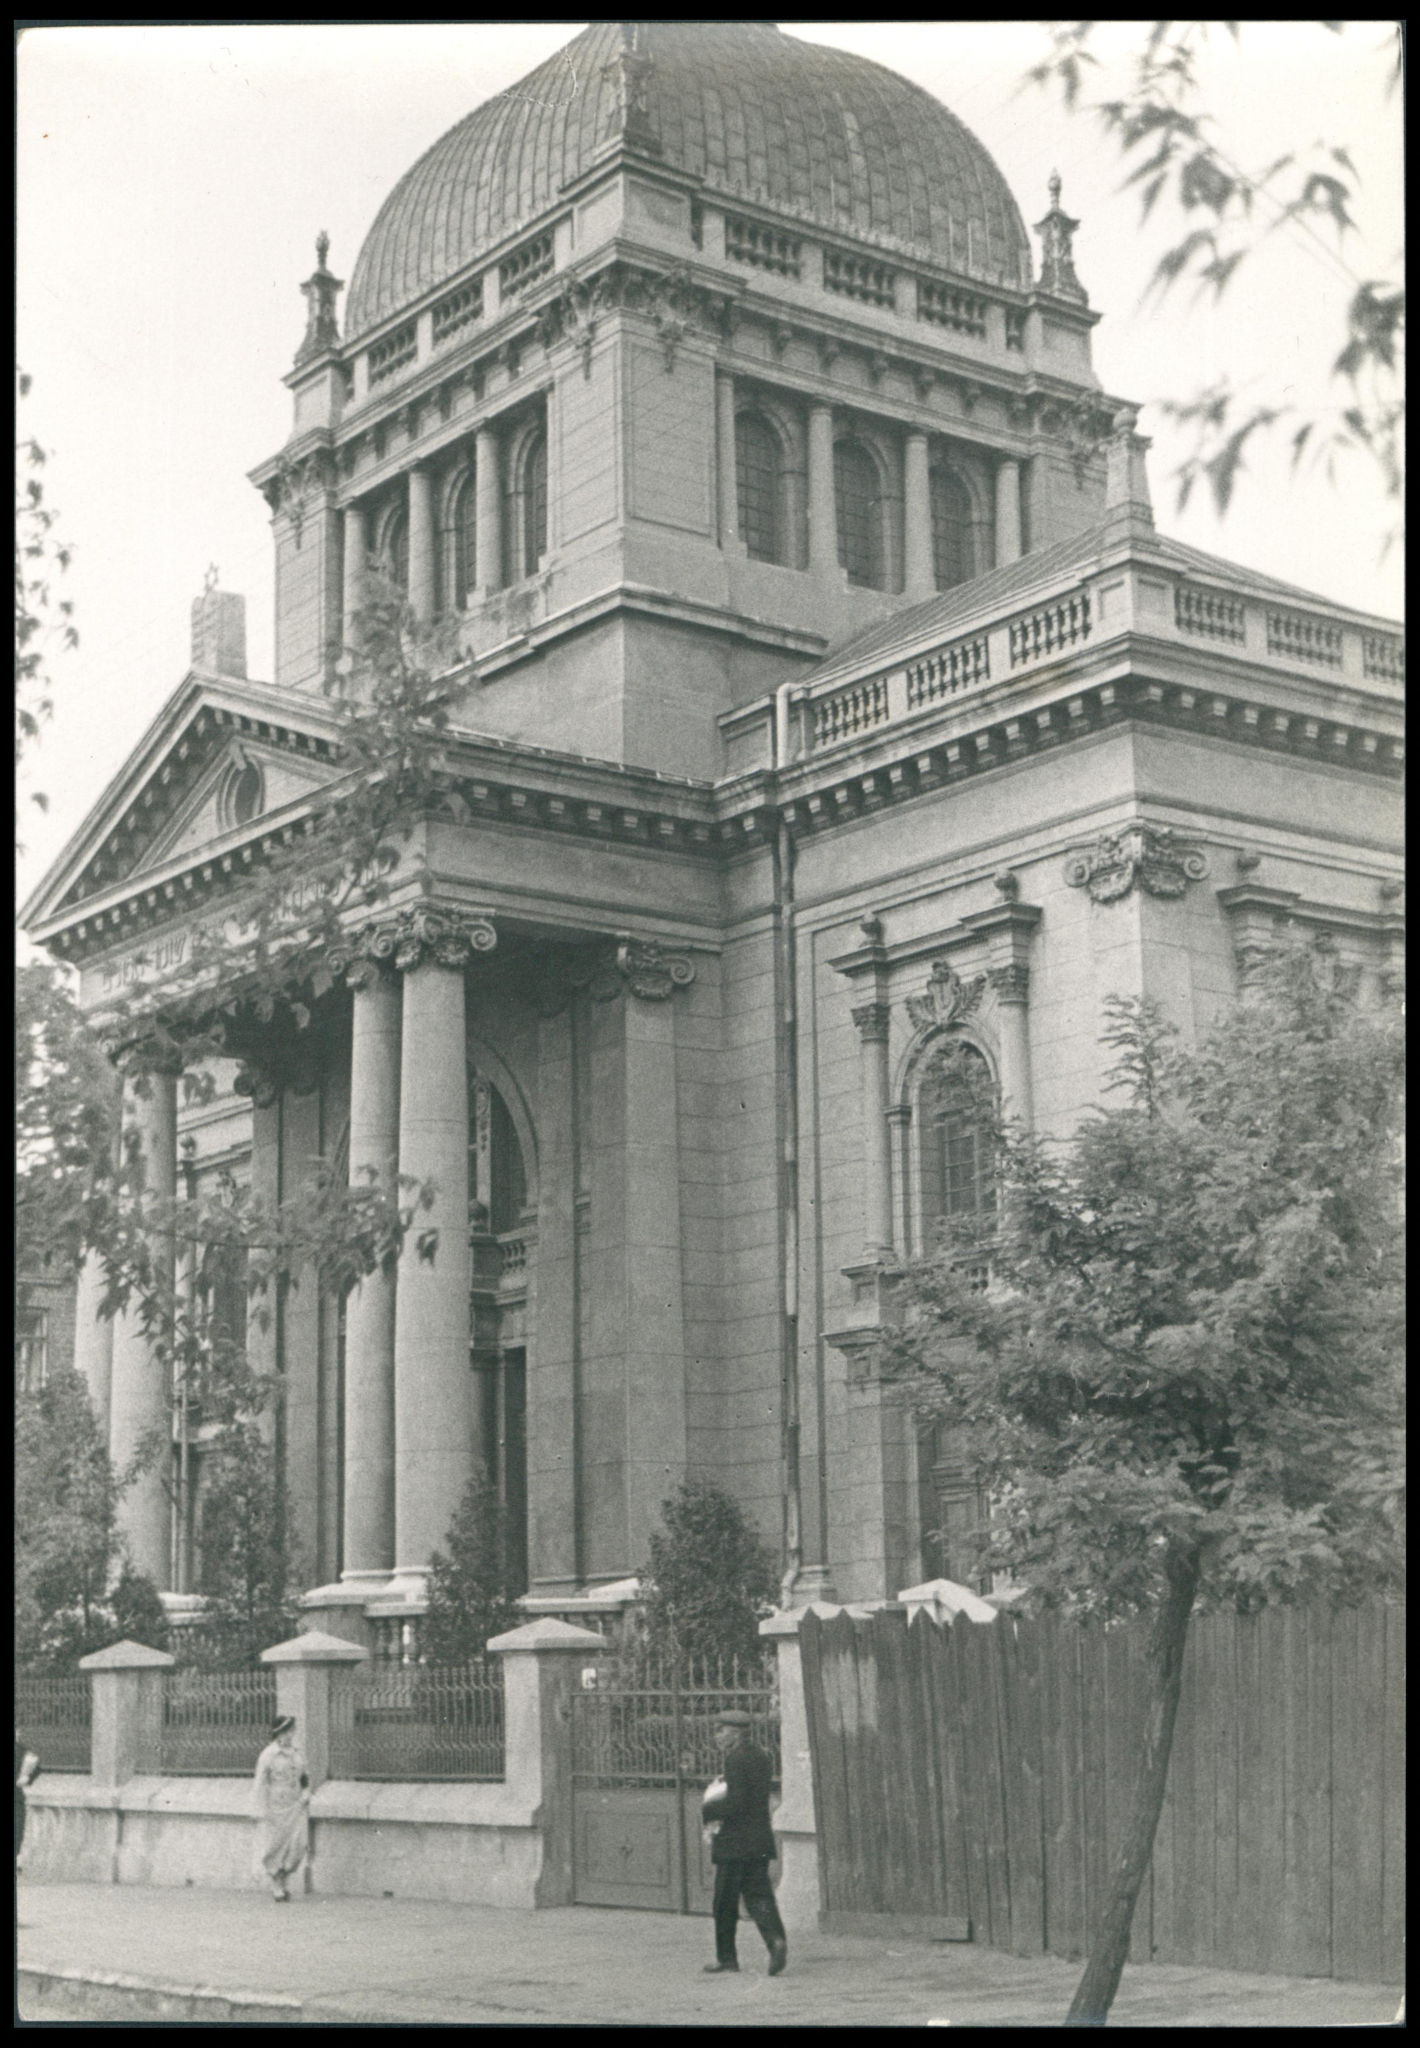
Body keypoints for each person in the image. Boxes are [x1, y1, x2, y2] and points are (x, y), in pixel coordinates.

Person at [699, 1708, 788, 1978]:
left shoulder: (735, 1759)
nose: (717, 1736)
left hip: (734, 1842)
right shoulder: (761, 1755)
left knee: (724, 1901)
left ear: (736, 1733)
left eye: (721, 1731)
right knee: (759, 1895)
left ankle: (727, 1958)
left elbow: (737, 1802)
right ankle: (776, 1940)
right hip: (758, 1840)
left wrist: (709, 1808)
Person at [252, 1714, 310, 1903]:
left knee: (298, 1844)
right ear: (278, 1733)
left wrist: (306, 1791)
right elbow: (260, 1782)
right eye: (286, 1732)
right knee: (277, 1845)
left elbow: (304, 1775)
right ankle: (277, 1884)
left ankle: (284, 1877)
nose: (290, 1735)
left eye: (292, 1731)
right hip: (276, 1805)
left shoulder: (297, 1752)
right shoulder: (268, 1755)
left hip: (296, 1803)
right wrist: (260, 1808)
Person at [15, 1731, 40, 1875]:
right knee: (18, 1828)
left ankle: (17, 1859)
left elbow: (36, 1767)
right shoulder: (24, 1751)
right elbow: (37, 1768)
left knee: (18, 1827)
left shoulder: (23, 1751)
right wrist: (28, 1779)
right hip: (17, 1796)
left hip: (16, 1795)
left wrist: (27, 1778)